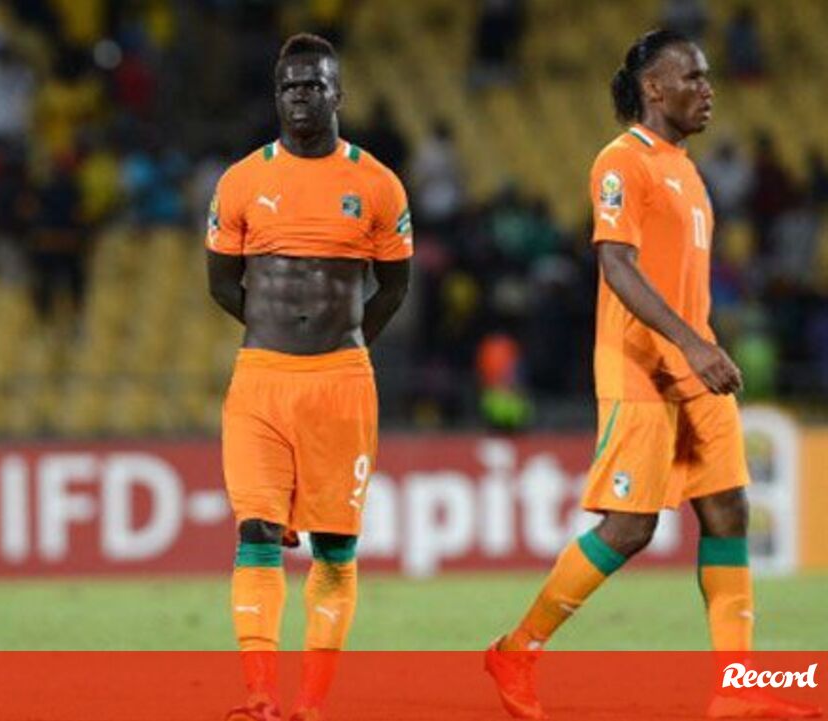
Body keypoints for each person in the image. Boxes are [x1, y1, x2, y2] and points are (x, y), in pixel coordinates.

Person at [483, 30, 819, 720]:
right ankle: (517, 649)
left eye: (708, 77)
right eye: (693, 78)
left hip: (695, 365)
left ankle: (736, 692)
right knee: (631, 527)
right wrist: (691, 345)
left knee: (728, 510)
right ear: (654, 88)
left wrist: (700, 346)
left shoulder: (687, 171)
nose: (708, 90)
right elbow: (616, 265)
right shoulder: (621, 162)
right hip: (641, 366)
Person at [206, 33, 412, 721]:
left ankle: (311, 704)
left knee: (335, 547)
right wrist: (281, 333)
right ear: (277, 96)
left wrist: (339, 343)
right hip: (261, 380)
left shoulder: (377, 184)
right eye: (290, 86)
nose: (301, 95)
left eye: (314, 85)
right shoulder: (240, 181)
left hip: (341, 383)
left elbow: (394, 286)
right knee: (257, 531)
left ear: (337, 94)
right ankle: (260, 696)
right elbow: (221, 283)